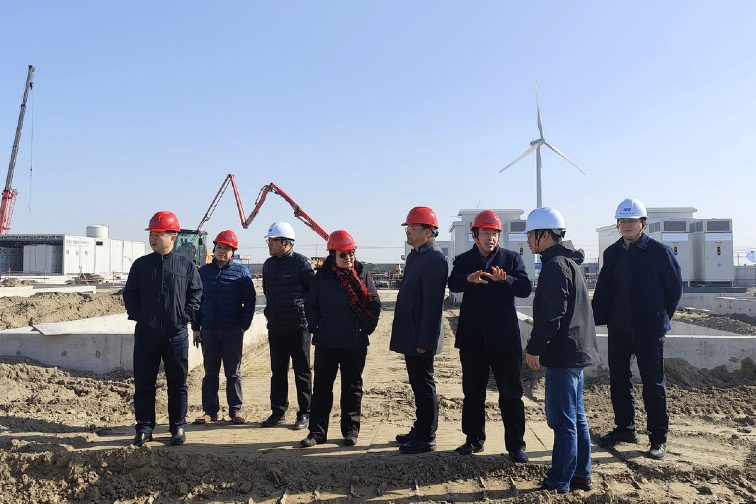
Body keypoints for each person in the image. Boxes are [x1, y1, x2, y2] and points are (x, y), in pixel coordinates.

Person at [593, 198, 683, 461]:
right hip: (619, 329)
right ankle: (625, 429)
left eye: (632, 220)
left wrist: (659, 318)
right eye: (623, 221)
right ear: (617, 225)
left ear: (643, 224)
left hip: (648, 330)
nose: (627, 225)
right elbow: (606, 287)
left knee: (653, 384)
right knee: (619, 381)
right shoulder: (612, 253)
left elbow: (674, 289)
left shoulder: (659, 252)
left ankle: (658, 438)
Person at [523, 207, 598, 493]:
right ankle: (581, 474)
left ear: (544, 235)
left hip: (562, 354)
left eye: (531, 234)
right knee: (576, 417)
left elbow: (552, 314)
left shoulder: (555, 266)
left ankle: (559, 481)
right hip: (575, 352)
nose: (528, 240)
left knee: (562, 420)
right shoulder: (569, 262)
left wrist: (534, 348)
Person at [447, 210, 532, 462]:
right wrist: (469, 279)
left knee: (511, 393)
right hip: (473, 339)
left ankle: (516, 445)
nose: (490, 238)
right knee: (473, 392)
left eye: (494, 233)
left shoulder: (511, 259)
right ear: (475, 235)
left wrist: (505, 281)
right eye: (485, 232)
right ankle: (473, 439)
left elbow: (525, 288)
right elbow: (453, 283)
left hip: (504, 339)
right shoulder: (464, 260)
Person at [123, 211, 203, 447]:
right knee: (144, 383)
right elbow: (130, 294)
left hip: (175, 335)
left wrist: (183, 317)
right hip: (146, 334)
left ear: (173, 237)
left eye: (158, 234)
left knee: (177, 383)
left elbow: (196, 293)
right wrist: (141, 317)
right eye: (151, 234)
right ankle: (144, 428)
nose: (153, 238)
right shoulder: (141, 265)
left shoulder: (186, 265)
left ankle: (177, 426)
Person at [299, 230, 381, 448]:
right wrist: (317, 327)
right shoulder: (322, 277)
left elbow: (374, 303)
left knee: (352, 388)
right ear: (332, 255)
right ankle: (317, 432)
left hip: (354, 342)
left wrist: (366, 328)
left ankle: (350, 431)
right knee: (322, 389)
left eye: (351, 253)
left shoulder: (362, 275)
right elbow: (310, 305)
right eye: (343, 254)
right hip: (326, 342)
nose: (348, 258)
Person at [390, 207, 449, 454]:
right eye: (407, 227)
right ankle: (420, 427)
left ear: (428, 232)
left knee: (424, 384)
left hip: (420, 335)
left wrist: (425, 340)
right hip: (411, 332)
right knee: (417, 383)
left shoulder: (434, 259)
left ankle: (426, 436)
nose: (408, 231)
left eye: (412, 227)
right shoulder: (416, 256)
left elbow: (433, 306)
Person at [192, 230, 257, 425]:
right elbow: (196, 302)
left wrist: (243, 326)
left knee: (233, 372)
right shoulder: (203, 273)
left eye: (227, 248)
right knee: (210, 373)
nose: (222, 251)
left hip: (232, 330)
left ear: (233, 252)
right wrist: (196, 327)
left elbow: (250, 301)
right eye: (219, 247)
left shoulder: (241, 273)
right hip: (209, 331)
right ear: (214, 249)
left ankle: (236, 410)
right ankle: (210, 412)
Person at [261, 221, 315, 430]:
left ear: (285, 243)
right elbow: (267, 292)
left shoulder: (302, 263)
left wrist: (305, 316)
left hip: (298, 327)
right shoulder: (268, 264)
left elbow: (314, 294)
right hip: (276, 327)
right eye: (269, 240)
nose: (269, 244)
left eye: (272, 240)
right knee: (278, 372)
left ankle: (305, 413)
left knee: (302, 372)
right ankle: (278, 412)